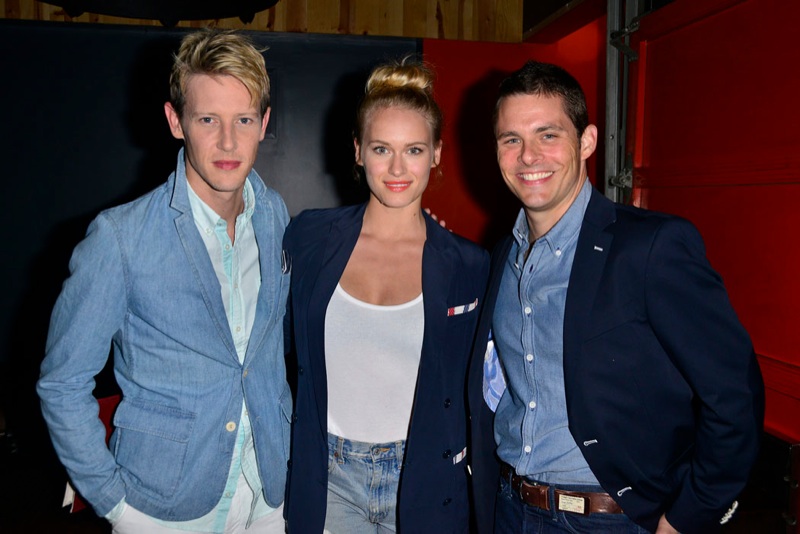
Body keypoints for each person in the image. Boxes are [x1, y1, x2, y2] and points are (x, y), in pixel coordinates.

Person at [467, 60, 764, 534]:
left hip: (612, 521)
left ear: (586, 141)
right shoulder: (502, 254)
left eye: (548, 135)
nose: (528, 156)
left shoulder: (650, 247)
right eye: (511, 140)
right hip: (510, 510)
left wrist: (688, 516)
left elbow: (735, 396)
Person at [37, 29, 291, 533]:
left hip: (267, 492)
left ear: (263, 123)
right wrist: (117, 507)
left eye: (242, 120)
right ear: (176, 121)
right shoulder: (120, 237)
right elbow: (62, 383)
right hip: (162, 506)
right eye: (207, 119)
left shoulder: (275, 215)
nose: (227, 141)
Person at [282, 58, 489, 533]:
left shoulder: (468, 265)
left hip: (424, 476)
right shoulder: (308, 237)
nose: (397, 168)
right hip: (327, 476)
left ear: (437, 153)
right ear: (357, 151)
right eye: (381, 148)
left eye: (414, 149)